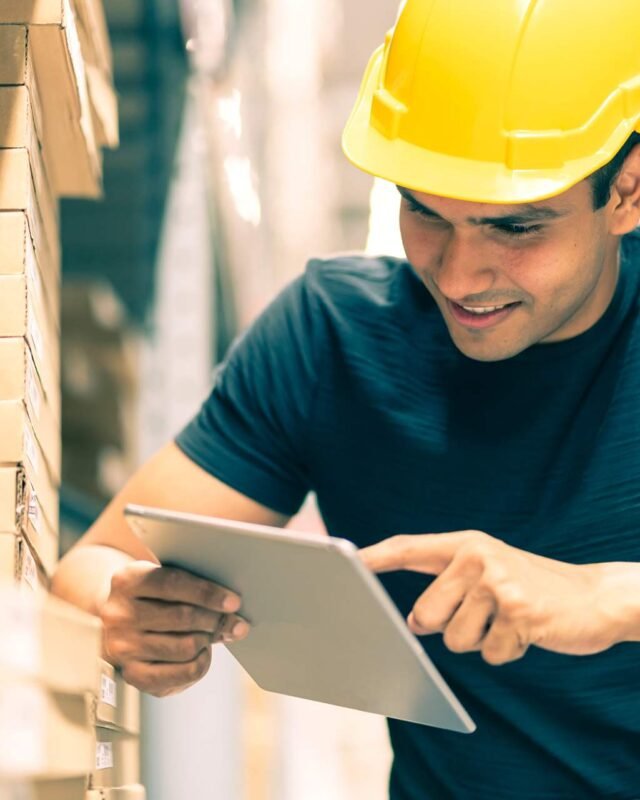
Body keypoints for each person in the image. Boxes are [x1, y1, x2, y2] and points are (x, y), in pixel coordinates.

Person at [53, 1, 640, 797]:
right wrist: (126, 613)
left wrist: (608, 594)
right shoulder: (334, 338)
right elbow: (98, 565)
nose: (461, 277)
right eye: (424, 211)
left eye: (515, 229)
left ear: (628, 192)